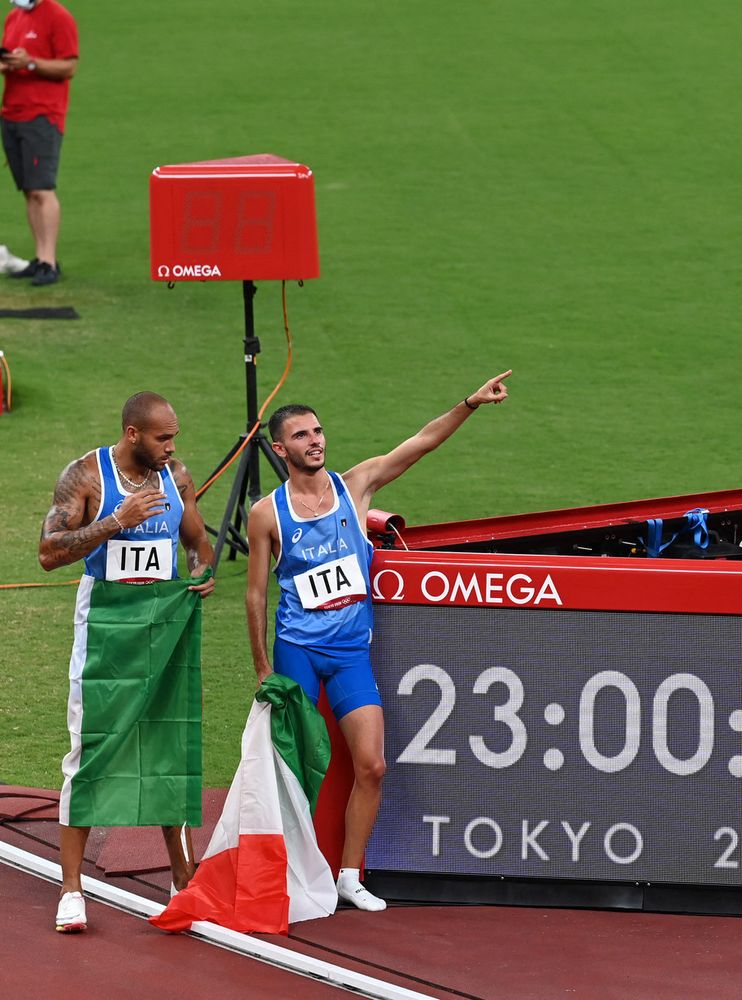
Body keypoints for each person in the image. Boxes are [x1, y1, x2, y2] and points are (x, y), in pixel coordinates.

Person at [246, 372, 512, 912]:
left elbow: (422, 443)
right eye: (301, 435)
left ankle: (348, 875)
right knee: (291, 772)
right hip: (296, 647)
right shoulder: (266, 514)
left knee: (372, 765)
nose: (315, 440)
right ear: (280, 448)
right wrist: (261, 668)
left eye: (318, 431)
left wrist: (470, 403)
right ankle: (288, 875)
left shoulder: (356, 485)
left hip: (349, 653)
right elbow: (254, 596)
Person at [37, 392, 216, 933]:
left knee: (169, 744)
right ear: (133, 434)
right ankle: (71, 888)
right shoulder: (86, 476)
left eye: (174, 436)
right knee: (91, 747)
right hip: (107, 627)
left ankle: (182, 880)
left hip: (164, 624)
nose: (172, 446)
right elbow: (49, 553)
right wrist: (116, 519)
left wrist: (200, 571)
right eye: (162, 437)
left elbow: (198, 543)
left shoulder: (175, 476)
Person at [0, 0, 77, 287]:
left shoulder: (58, 17)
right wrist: (9, 63)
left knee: (42, 189)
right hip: (12, 113)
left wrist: (30, 62)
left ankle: (49, 261)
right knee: (29, 190)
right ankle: (40, 257)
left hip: (42, 115)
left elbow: (68, 66)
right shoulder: (14, 17)